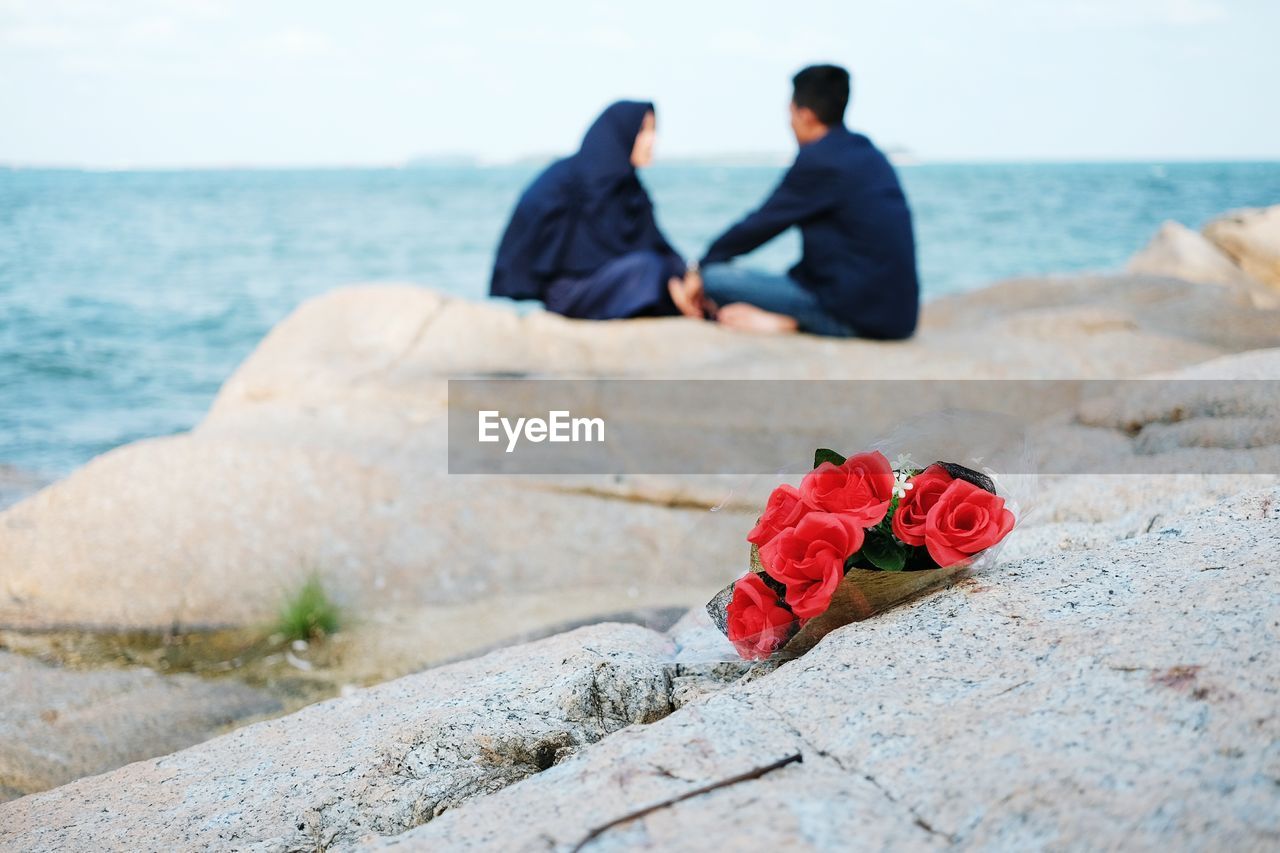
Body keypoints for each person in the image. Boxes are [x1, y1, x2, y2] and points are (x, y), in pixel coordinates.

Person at [669, 65, 920, 339]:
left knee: (715, 279)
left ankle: (791, 322)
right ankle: (791, 317)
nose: (790, 124)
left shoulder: (821, 160)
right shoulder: (869, 153)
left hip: (853, 315)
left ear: (806, 116)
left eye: (791, 115)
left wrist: (700, 266)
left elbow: (760, 224)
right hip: (900, 316)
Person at [490, 100, 686, 319]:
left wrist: (687, 275)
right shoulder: (567, 180)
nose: (652, 141)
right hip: (570, 292)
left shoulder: (631, 190)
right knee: (650, 270)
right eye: (642, 131)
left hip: (618, 281)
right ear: (620, 132)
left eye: (653, 131)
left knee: (673, 273)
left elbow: (655, 242)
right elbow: (525, 234)